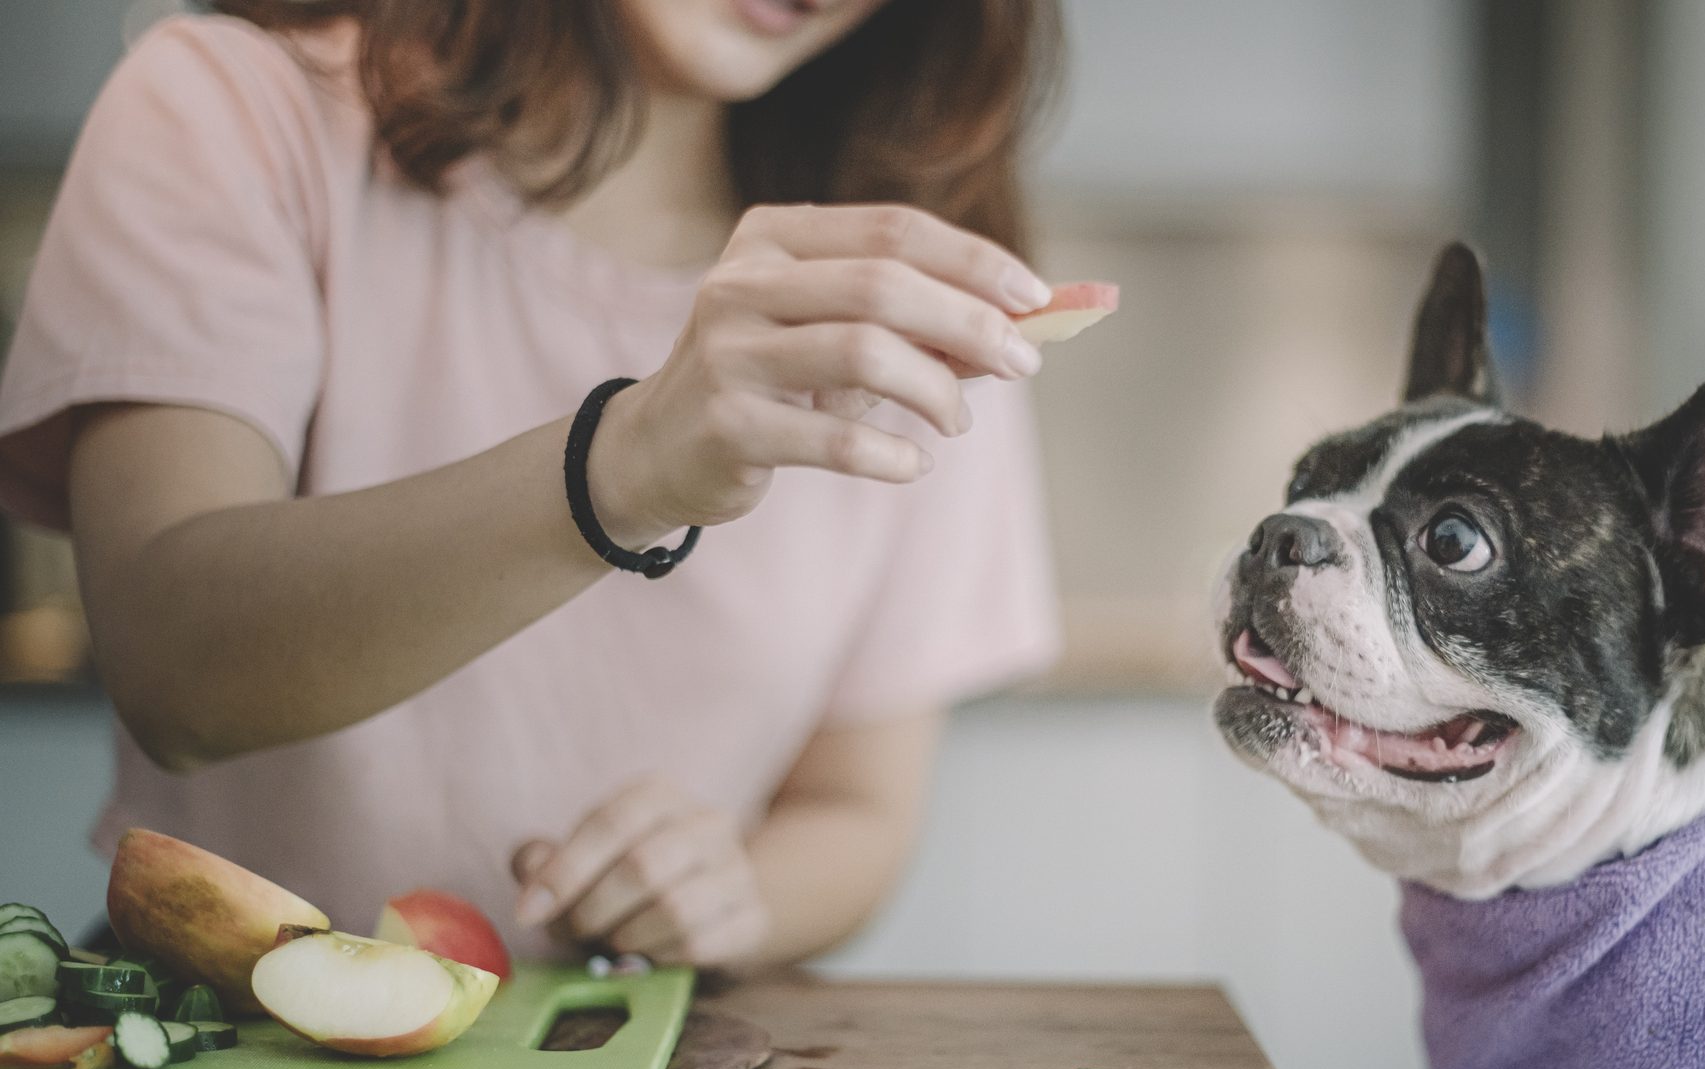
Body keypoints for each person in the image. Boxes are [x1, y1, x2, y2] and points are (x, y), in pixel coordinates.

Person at [0, 0, 1062, 971]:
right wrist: (621, 466)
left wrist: (740, 894)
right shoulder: (232, 112)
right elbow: (176, 666)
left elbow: (857, 806)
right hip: (226, 1067)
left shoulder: (913, 289)